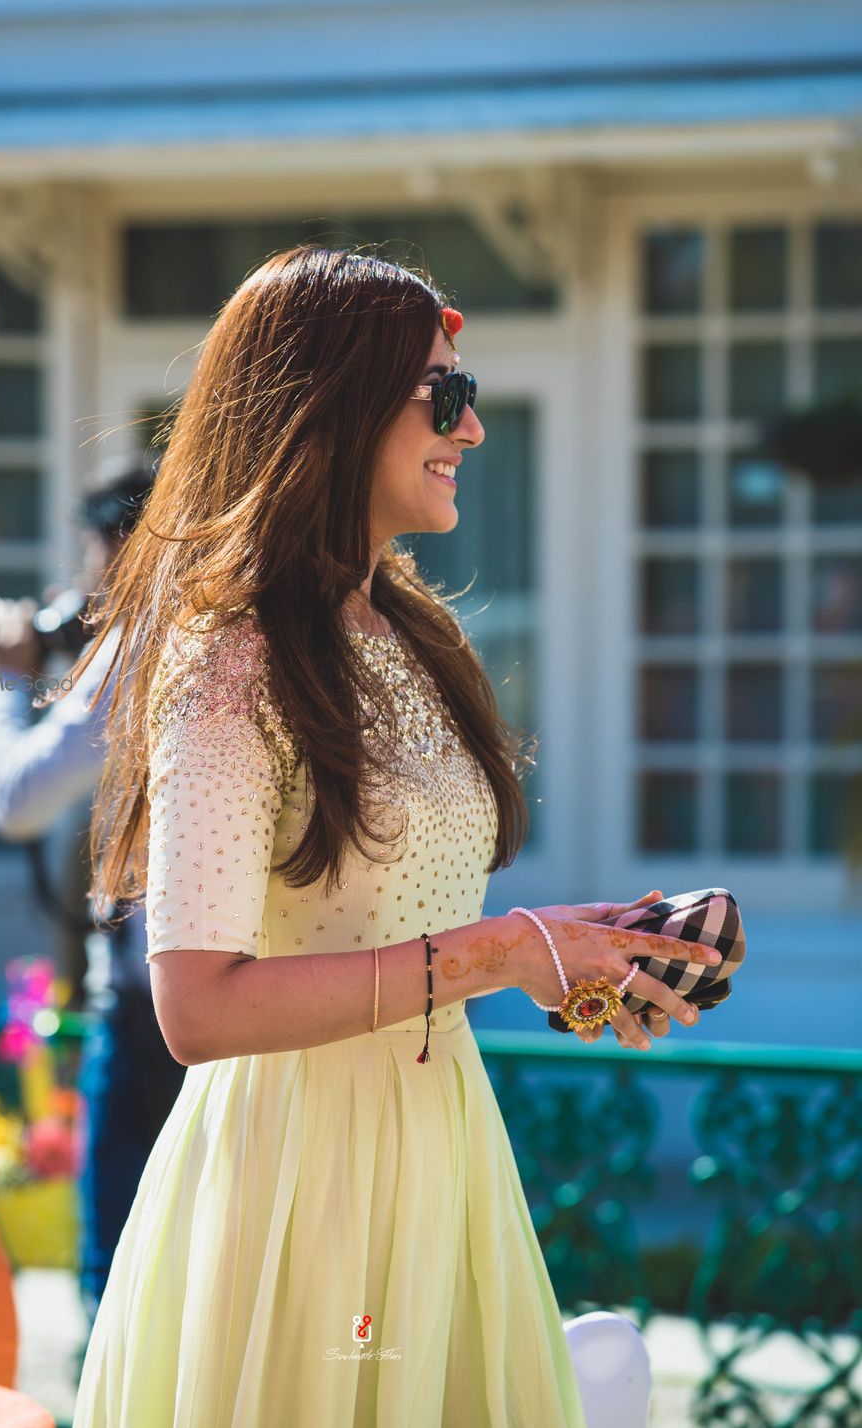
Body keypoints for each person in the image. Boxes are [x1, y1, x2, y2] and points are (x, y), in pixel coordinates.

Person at [67, 246, 721, 1427]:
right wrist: (499, 955)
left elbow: (403, 921)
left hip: (442, 1154)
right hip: (294, 1194)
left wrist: (577, 959)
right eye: (445, 394)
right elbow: (197, 1008)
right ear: (337, 401)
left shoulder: (409, 633)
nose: (470, 432)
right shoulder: (230, 661)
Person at [0, 465, 186, 1325]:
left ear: (126, 546)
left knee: (122, 1284)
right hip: (230, 996)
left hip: (151, 1008)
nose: (80, 580)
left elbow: (15, 801)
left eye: (91, 552)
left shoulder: (145, 640)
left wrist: (1, 676)